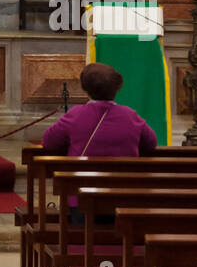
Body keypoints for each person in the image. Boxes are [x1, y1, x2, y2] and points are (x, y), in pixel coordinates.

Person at [41, 62, 157, 223]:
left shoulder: (76, 115)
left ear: (86, 89)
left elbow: (48, 142)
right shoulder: (130, 116)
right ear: (117, 89)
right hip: (123, 196)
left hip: (83, 196)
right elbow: (151, 143)